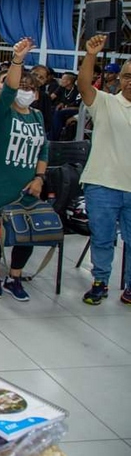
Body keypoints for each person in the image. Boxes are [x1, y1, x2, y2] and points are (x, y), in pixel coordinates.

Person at [0, 38, 48, 302]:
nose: (26, 91)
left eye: (31, 88)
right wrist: (17, 61)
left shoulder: (38, 116)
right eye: (22, 86)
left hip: (28, 187)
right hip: (1, 185)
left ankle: (15, 277)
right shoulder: (2, 111)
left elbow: (43, 150)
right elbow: (9, 89)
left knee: (26, 236)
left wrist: (40, 178)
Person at [77, 36, 131, 305]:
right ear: (120, 79)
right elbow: (84, 85)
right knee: (102, 238)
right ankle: (100, 281)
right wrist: (90, 56)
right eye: (127, 76)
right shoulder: (106, 103)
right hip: (103, 184)